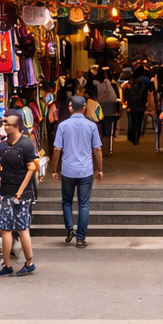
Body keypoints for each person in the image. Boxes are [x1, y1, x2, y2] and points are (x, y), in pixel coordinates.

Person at [52, 94, 103, 248]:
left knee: (66, 201)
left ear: (70, 107)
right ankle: (81, 238)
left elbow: (56, 149)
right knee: (84, 204)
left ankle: (69, 230)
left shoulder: (62, 125)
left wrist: (54, 169)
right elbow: (98, 149)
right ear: (84, 107)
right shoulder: (92, 125)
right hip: (85, 171)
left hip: (68, 170)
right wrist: (100, 169)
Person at [0, 113, 38, 276]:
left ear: (17, 126)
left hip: (22, 195)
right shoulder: (3, 146)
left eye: (9, 124)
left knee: (22, 228)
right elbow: (2, 165)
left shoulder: (26, 144)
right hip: (6, 192)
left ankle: (29, 262)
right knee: (5, 229)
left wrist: (19, 192)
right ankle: (6, 264)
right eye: (4, 123)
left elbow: (32, 169)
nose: (5, 126)